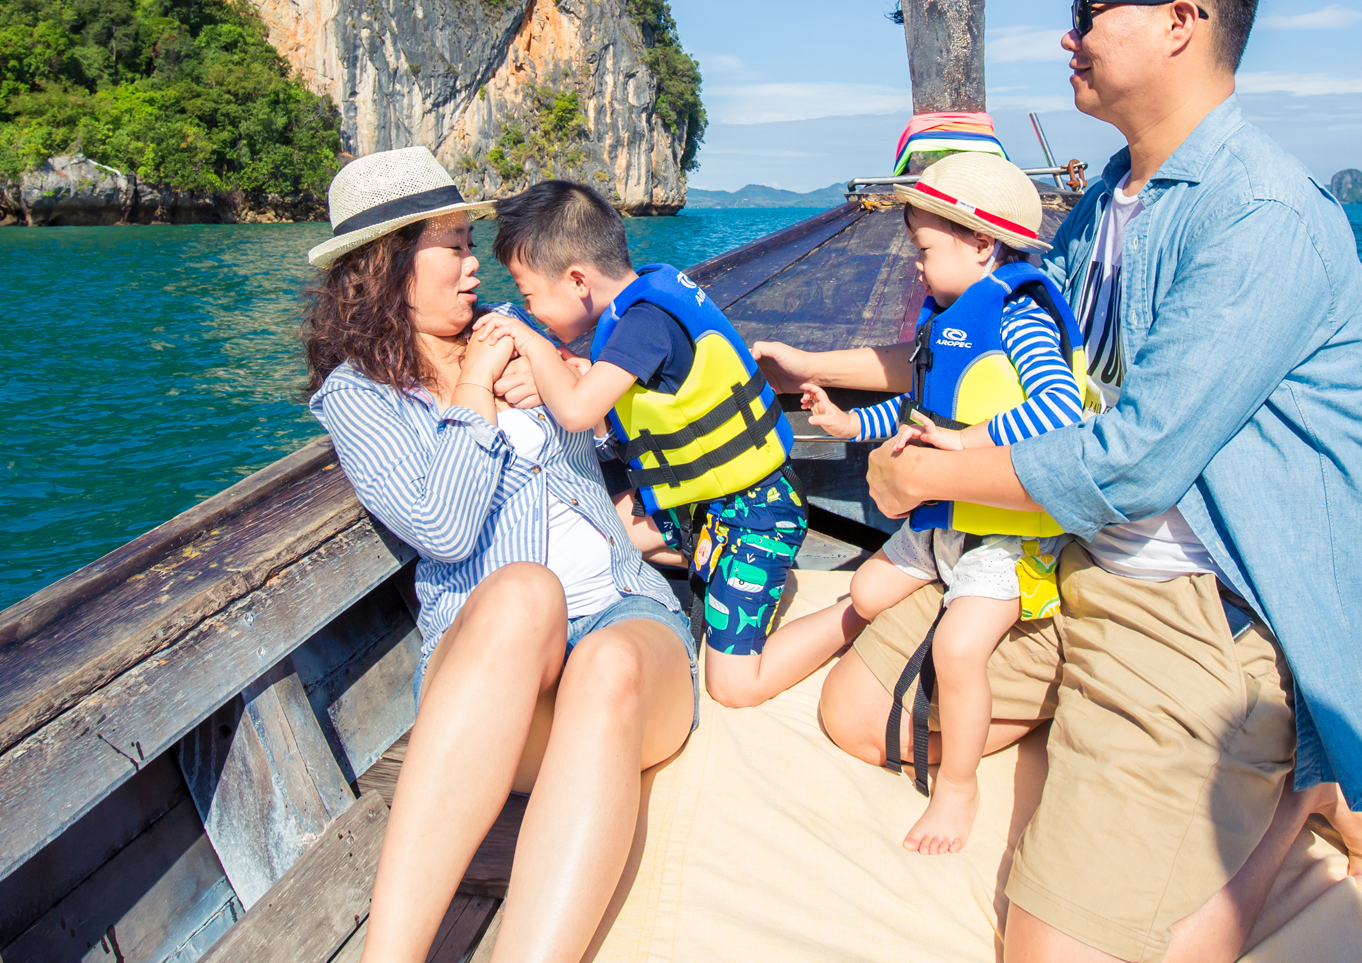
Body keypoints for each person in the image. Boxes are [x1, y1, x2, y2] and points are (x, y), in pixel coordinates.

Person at [765, 0, 1362, 963]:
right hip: (1067, 559)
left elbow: (1137, 463)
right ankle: (1124, 767)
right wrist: (830, 381)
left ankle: (1303, 786)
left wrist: (933, 477)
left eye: (1091, 6)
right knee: (859, 711)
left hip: (1193, 602)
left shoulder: (1260, 218)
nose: (1068, 34)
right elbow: (981, 348)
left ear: (1180, 22)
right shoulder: (1114, 192)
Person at [303, 148, 697, 963]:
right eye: (449, 245)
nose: (473, 266)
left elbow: (636, 403)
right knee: (523, 591)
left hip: (625, 629)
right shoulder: (357, 397)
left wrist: (571, 369)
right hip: (499, 685)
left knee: (608, 665)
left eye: (466, 243)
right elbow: (441, 531)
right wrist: (474, 396)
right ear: (385, 266)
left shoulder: (524, 337)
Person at [790, 151, 1086, 857]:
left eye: (925, 249)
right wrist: (845, 423)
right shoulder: (948, 319)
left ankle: (957, 787)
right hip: (944, 526)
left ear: (984, 245)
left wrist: (977, 442)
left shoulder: (1018, 317)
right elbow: (919, 410)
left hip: (1003, 543)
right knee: (865, 584)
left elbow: (1059, 408)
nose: (914, 267)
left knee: (959, 649)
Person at [472, 180, 815, 708]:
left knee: (731, 687)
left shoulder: (644, 323)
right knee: (606, 544)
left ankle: (852, 612)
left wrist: (531, 344)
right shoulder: (647, 301)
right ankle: (725, 572)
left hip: (757, 514)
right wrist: (570, 368)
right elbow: (615, 409)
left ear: (578, 280)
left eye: (529, 298)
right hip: (708, 507)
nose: (533, 312)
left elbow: (579, 410)